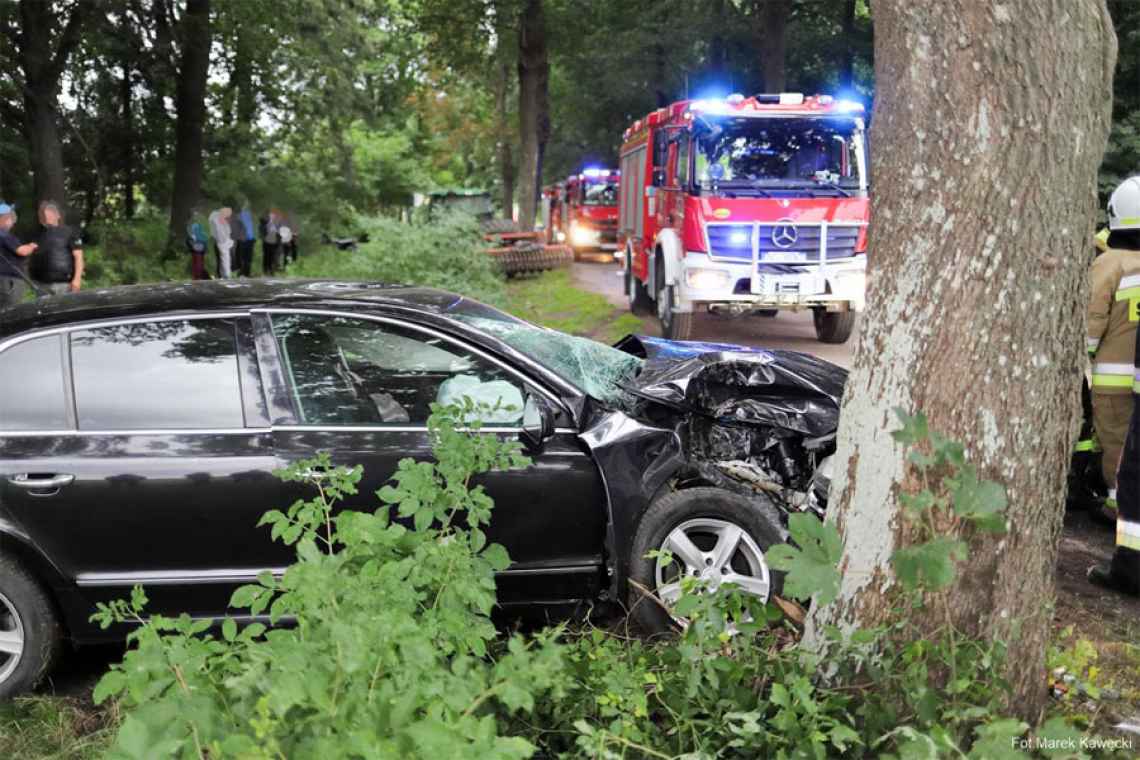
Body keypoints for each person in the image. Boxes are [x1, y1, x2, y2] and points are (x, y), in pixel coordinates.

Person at [1085, 177, 1140, 526]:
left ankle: (1117, 506)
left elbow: (1092, 321)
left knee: (1117, 444)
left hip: (1112, 381)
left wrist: (1081, 359)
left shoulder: (1108, 264)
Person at [31, 201, 83, 295]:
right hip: (42, 285)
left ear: (58, 216)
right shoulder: (38, 236)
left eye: (51, 214)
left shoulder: (70, 232)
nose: (47, 218)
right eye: (45, 215)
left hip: (64, 284)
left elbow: (78, 257)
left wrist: (77, 279)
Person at [0, 202, 37, 307]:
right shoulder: (4, 235)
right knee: (12, 311)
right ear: (3, 218)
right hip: (8, 281)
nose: (13, 222)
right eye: (11, 217)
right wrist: (31, 246)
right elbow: (22, 251)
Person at [208, 206, 234, 279]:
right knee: (225, 258)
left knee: (224, 258)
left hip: (221, 241)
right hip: (222, 242)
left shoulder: (217, 219)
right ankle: (226, 274)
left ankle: (223, 274)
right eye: (228, 214)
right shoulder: (219, 220)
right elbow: (224, 232)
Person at [186, 216, 210, 280]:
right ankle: (197, 276)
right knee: (198, 263)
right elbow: (205, 241)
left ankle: (197, 276)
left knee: (197, 263)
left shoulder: (192, 235)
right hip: (198, 251)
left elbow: (188, 242)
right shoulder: (201, 234)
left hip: (196, 251)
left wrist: (191, 247)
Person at [237, 203, 256, 277]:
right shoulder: (242, 216)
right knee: (246, 257)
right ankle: (244, 272)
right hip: (246, 239)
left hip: (247, 239)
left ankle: (244, 272)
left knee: (245, 257)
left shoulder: (242, 216)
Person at [261, 208, 281, 275]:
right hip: (266, 242)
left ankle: (272, 270)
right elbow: (262, 232)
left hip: (274, 242)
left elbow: (279, 234)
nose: (272, 217)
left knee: (273, 256)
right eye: (271, 215)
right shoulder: (264, 223)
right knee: (266, 256)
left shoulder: (277, 224)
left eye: (273, 215)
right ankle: (266, 270)